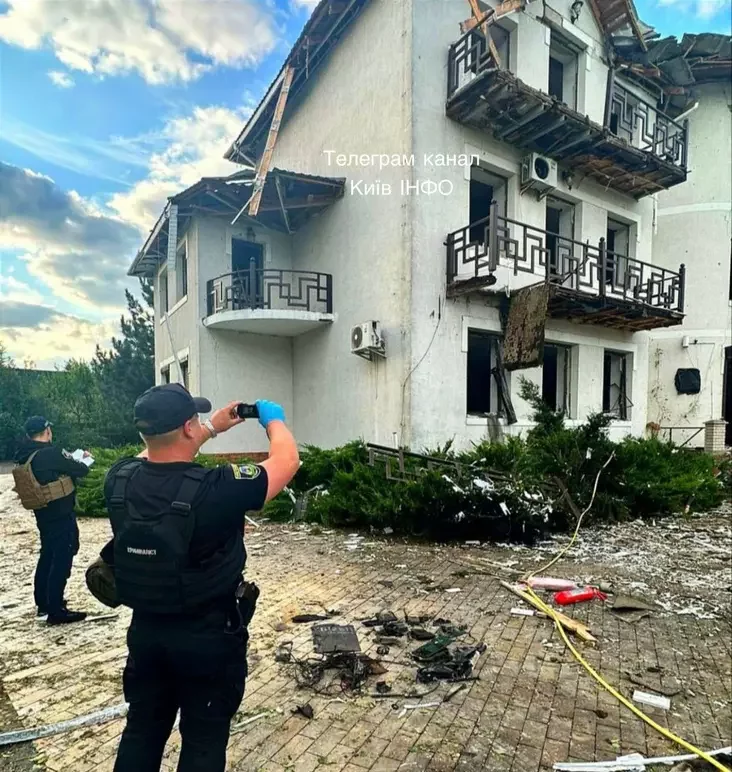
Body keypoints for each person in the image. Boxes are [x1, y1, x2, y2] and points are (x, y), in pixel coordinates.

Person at [99, 384, 299, 772]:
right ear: (187, 427)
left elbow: (149, 457)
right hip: (209, 638)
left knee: (141, 731)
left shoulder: (119, 479)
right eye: (195, 420)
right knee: (204, 739)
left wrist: (209, 428)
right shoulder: (217, 487)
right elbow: (287, 461)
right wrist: (272, 420)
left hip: (146, 635)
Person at [13, 416, 91, 625]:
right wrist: (83, 459)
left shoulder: (24, 454)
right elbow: (81, 469)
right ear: (47, 431)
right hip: (60, 513)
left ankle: (44, 605)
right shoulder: (50, 453)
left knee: (47, 554)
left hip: (43, 513)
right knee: (62, 557)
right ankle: (56, 609)